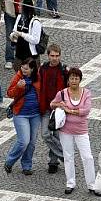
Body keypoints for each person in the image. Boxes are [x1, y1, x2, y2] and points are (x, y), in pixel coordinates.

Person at [51, 67, 96, 195]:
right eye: (72, 78)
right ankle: (70, 183)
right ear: (68, 80)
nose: (74, 80)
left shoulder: (86, 93)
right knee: (68, 156)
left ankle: (91, 184)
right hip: (66, 130)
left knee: (87, 157)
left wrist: (70, 111)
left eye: (76, 78)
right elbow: (52, 104)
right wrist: (59, 105)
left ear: (80, 80)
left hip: (81, 130)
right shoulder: (63, 93)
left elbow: (85, 111)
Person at [0, 0, 39, 68]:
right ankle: (9, 58)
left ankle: (24, 56)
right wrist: (5, 7)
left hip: (25, 13)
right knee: (10, 33)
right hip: (11, 11)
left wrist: (32, 5)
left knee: (26, 35)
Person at [4, 58, 42, 176]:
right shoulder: (18, 77)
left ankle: (27, 165)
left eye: (26, 68)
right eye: (22, 67)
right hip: (21, 114)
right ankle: (10, 161)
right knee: (23, 141)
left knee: (32, 142)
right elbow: (10, 93)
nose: (23, 70)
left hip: (35, 114)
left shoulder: (38, 77)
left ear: (32, 69)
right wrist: (18, 87)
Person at [39, 44, 68, 174]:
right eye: (52, 55)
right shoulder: (43, 69)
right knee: (45, 134)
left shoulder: (64, 70)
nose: (55, 58)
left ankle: (53, 161)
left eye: (57, 56)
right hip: (46, 107)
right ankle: (65, 156)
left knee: (56, 135)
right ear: (48, 55)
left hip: (59, 109)